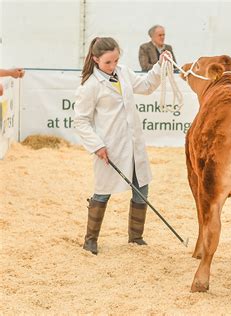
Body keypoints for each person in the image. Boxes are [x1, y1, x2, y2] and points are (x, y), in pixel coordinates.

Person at [74, 37, 171, 255]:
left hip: (134, 144)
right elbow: (80, 120)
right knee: (102, 192)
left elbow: (146, 87)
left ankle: (136, 237)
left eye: (116, 60)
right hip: (110, 147)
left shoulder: (124, 72)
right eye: (108, 62)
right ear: (95, 59)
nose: (113, 66)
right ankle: (90, 240)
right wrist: (97, 146)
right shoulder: (90, 86)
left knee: (142, 187)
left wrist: (159, 66)